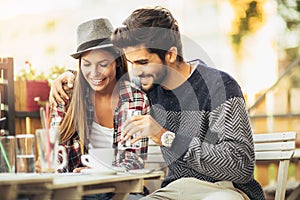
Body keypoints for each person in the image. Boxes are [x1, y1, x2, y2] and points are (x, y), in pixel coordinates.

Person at [50, 7, 265, 200]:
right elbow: (106, 79)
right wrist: (70, 77)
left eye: (142, 62)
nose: (135, 71)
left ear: (170, 54)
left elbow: (240, 166)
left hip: (226, 190)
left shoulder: (220, 87)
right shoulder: (147, 86)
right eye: (132, 62)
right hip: (175, 190)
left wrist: (165, 136)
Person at [49, 17, 150, 200]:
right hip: (75, 191)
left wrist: (99, 173)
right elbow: (55, 157)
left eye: (103, 64)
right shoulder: (65, 97)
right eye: (87, 64)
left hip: (120, 191)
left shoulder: (134, 98)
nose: (94, 73)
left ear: (117, 62)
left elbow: (134, 162)